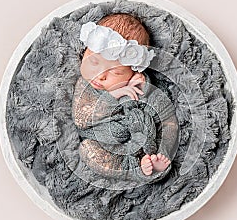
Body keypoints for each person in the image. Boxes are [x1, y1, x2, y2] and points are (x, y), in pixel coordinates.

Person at [72, 14, 178, 182]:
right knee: (88, 151)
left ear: (135, 71)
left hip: (145, 140)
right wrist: (113, 96)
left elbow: (167, 116)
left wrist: (145, 89)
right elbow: (81, 119)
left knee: (168, 125)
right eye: (94, 62)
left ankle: (155, 163)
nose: (100, 76)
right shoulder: (84, 85)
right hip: (104, 144)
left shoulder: (143, 86)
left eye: (115, 72)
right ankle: (136, 172)